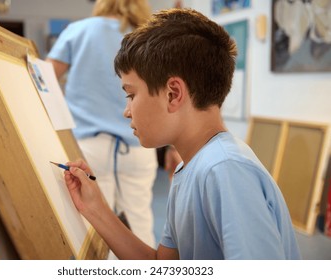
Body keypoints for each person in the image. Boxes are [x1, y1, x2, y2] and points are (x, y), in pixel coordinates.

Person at [63, 8, 301, 260]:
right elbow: (161, 265)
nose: (127, 111)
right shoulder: (189, 170)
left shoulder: (226, 169)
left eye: (131, 95)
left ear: (173, 93)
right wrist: (95, 207)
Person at [46, 0, 158, 250]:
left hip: (89, 147)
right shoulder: (148, 36)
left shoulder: (79, 30)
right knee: (140, 223)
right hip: (140, 144)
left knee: (96, 228)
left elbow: (43, 80)